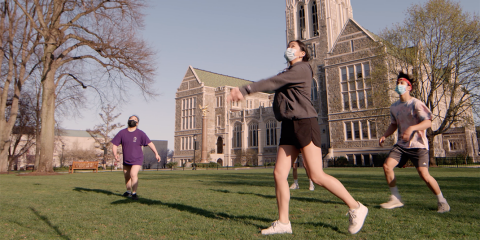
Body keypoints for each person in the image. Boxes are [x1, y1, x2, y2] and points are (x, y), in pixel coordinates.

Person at [228, 40, 368, 235]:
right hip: (288, 125)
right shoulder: (286, 73)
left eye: (293, 46)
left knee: (316, 175)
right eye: (288, 45)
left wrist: (245, 90)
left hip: (304, 122)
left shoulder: (303, 69)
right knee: (279, 174)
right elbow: (271, 86)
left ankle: (356, 207)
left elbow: (272, 83)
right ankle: (284, 223)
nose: (289, 48)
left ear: (302, 53)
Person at [379, 72, 450, 213]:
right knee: (387, 166)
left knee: (424, 175)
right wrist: (385, 135)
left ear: (409, 87)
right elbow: (394, 124)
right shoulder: (394, 107)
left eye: (402, 83)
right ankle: (395, 197)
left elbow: (428, 123)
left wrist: (412, 128)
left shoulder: (416, 104)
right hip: (401, 145)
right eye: (397, 82)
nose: (398, 85)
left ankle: (442, 201)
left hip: (418, 145)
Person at [112, 115, 161, 200]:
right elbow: (115, 144)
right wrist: (115, 154)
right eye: (131, 119)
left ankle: (134, 193)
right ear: (128, 121)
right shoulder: (122, 133)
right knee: (127, 176)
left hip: (137, 158)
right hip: (126, 159)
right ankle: (128, 191)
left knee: (133, 174)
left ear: (137, 123)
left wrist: (156, 153)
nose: (132, 120)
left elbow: (150, 143)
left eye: (134, 119)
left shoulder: (140, 133)